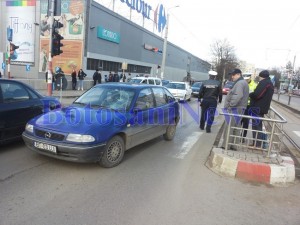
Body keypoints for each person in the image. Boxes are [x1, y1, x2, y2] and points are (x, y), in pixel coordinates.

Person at [222, 69, 249, 150]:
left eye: (233, 75)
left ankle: (226, 145)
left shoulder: (240, 83)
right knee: (236, 127)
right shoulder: (242, 82)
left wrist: (230, 105)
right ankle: (233, 145)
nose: (232, 77)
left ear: (238, 74)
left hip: (235, 108)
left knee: (230, 127)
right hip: (239, 108)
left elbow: (238, 95)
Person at [249, 70, 274, 147]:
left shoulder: (264, 83)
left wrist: (251, 94)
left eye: (259, 77)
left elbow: (257, 95)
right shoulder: (269, 83)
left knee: (256, 126)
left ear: (261, 76)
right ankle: (256, 143)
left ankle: (257, 144)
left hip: (258, 108)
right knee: (257, 125)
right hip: (261, 107)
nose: (259, 78)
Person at [241, 74, 257, 139]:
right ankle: (235, 136)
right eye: (245, 79)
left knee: (245, 122)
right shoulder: (242, 83)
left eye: (247, 79)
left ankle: (243, 137)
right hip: (241, 105)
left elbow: (256, 96)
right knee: (239, 121)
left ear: (250, 78)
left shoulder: (255, 85)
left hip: (248, 106)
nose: (246, 80)